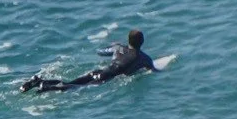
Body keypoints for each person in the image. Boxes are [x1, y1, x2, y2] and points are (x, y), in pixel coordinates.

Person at [20, 29, 154, 94]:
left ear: (128, 40)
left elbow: (101, 52)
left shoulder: (119, 47)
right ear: (142, 42)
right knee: (71, 88)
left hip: (97, 72)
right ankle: (46, 87)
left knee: (70, 82)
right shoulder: (143, 58)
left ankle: (38, 81)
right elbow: (152, 70)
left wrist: (115, 46)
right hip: (105, 78)